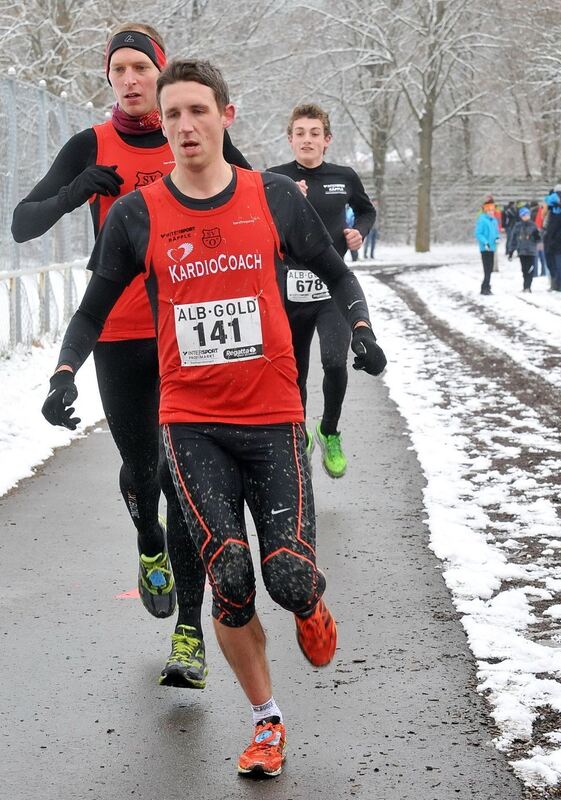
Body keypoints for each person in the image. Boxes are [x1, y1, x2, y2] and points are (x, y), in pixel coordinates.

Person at [40, 58, 386, 777]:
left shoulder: (273, 198)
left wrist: (358, 329)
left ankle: (309, 604)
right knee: (228, 573)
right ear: (161, 126)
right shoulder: (139, 215)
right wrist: (64, 372)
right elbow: (93, 309)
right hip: (191, 421)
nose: (184, 125)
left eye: (198, 110)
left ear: (226, 117)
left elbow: (336, 271)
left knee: (287, 578)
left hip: (274, 415)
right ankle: (266, 722)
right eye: (172, 115)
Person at [12, 24, 249, 688]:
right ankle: (149, 541)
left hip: (190, 331)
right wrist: (81, 185)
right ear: (110, 78)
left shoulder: (195, 132)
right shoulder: (93, 142)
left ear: (162, 71)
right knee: (145, 473)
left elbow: (256, 201)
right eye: (118, 69)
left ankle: (189, 635)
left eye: (141, 67)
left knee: (185, 479)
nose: (130, 80)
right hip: (118, 332)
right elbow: (22, 222)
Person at [268, 104, 376, 478]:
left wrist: (359, 231)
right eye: (300, 133)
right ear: (290, 138)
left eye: (315, 133)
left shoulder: (343, 177)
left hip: (331, 288)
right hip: (289, 290)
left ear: (326, 139)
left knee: (334, 362)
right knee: (293, 373)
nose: (307, 139)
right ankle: (299, 432)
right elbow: (259, 225)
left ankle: (328, 430)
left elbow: (366, 210)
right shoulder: (274, 178)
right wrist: (287, 200)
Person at [543, 186, 561, 291]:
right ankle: (556, 283)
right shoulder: (552, 209)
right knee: (552, 263)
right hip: (551, 239)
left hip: (559, 240)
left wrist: (557, 238)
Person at [508, 207, 540, 292]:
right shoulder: (518, 226)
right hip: (522, 251)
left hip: (532, 251)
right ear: (521, 216)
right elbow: (513, 239)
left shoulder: (533, 225)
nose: (526, 217)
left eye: (527, 215)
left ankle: (528, 286)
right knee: (524, 269)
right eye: (524, 215)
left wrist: (537, 236)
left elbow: (539, 239)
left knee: (531, 269)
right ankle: (525, 286)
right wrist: (511, 251)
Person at [475, 199, 500, 295]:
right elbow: (478, 233)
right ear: (485, 210)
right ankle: (484, 287)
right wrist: (485, 242)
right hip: (485, 248)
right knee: (487, 269)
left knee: (490, 269)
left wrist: (497, 238)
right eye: (489, 210)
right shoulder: (482, 220)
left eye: (492, 210)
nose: (491, 212)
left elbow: (496, 232)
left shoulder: (494, 221)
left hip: (492, 247)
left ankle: (487, 286)